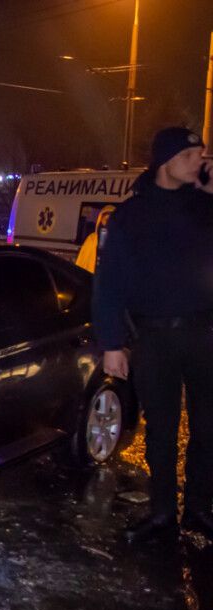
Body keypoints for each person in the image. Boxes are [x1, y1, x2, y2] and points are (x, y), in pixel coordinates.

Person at [92, 126, 213, 544]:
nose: (201, 159)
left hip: (205, 334)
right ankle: (162, 511)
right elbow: (109, 284)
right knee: (160, 430)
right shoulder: (130, 216)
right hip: (154, 338)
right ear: (168, 162)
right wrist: (112, 345)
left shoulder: (207, 210)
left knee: (208, 428)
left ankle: (199, 508)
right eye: (193, 154)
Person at [75, 204, 115, 273]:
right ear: (100, 220)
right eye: (105, 219)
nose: (107, 222)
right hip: (90, 278)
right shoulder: (92, 239)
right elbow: (81, 262)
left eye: (111, 220)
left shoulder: (118, 240)